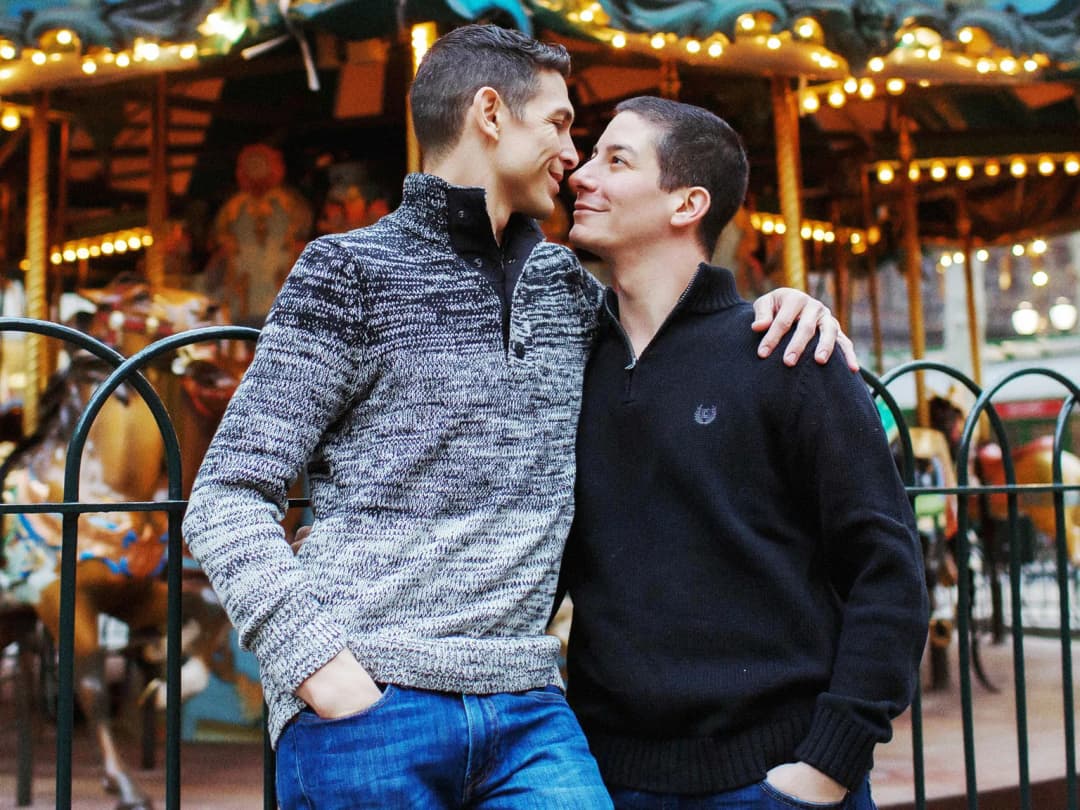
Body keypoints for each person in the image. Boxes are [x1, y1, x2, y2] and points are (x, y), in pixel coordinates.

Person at [183, 25, 852, 809]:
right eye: (562, 125)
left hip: (530, 707)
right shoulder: (347, 273)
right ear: (491, 114)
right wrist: (320, 667)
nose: (574, 156)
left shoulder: (566, 291)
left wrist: (779, 309)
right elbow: (226, 494)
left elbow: (676, 330)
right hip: (371, 695)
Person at [559, 96, 928, 809]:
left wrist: (829, 763)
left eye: (616, 159)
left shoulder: (785, 352)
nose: (581, 173)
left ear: (688, 203)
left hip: (774, 775)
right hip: (608, 776)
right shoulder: (566, 363)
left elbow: (886, 567)